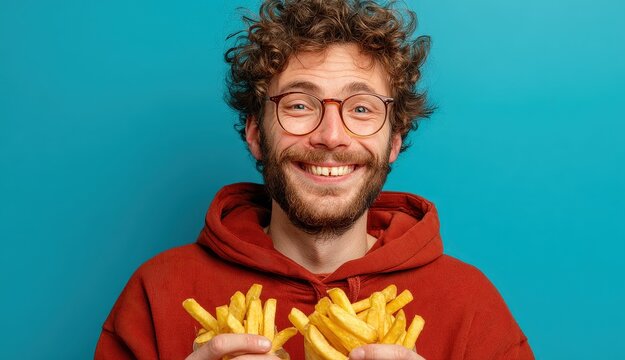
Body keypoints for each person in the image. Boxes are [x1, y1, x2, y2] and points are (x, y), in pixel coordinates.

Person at [95, 0, 534, 359]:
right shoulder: (157, 292)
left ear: (394, 140)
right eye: (300, 105)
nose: (330, 136)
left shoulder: (472, 306)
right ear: (255, 135)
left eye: (361, 108)